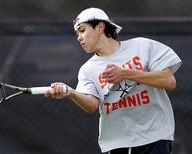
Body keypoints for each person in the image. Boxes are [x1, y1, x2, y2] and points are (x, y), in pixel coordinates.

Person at [45, 7, 182, 154]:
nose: (79, 37)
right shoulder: (87, 69)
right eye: (77, 33)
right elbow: (91, 105)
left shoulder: (142, 46)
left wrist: (125, 73)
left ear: (100, 27)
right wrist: (71, 93)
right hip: (117, 143)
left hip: (156, 136)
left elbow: (169, 81)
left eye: (82, 30)